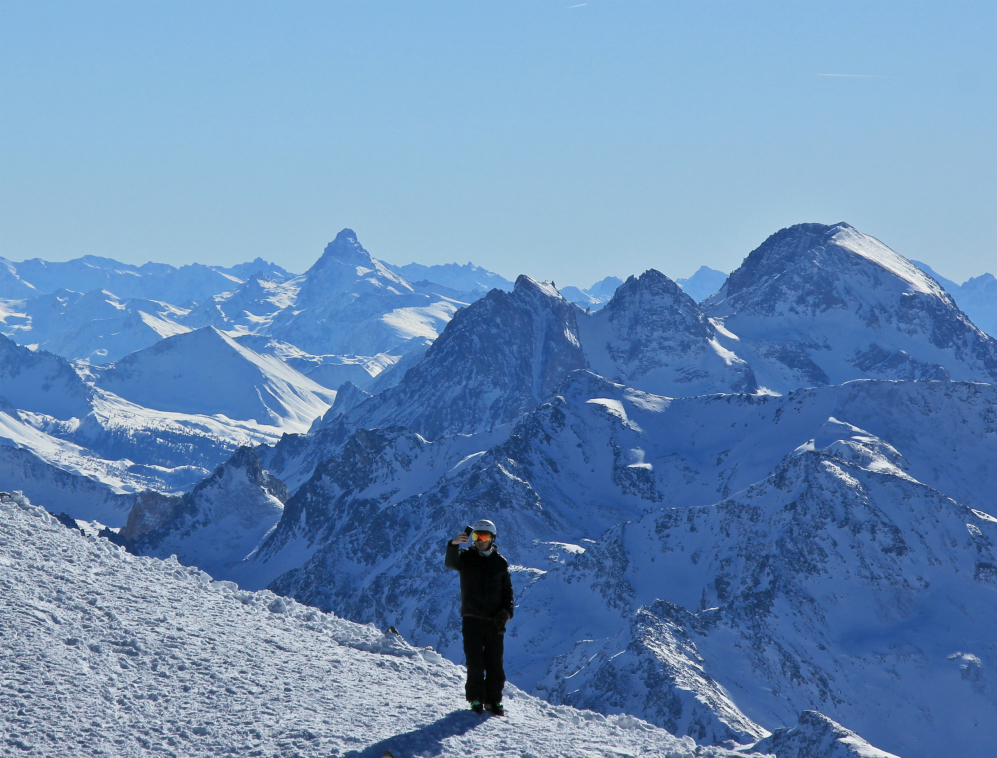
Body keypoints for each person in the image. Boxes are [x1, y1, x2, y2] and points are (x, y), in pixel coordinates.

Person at [445, 519, 514, 716]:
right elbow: (451, 562)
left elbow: (508, 594)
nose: (480, 540)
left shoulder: (500, 564)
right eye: (477, 536)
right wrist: (453, 544)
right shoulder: (466, 559)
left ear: (492, 538)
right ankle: (475, 699)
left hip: (494, 622)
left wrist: (507, 614)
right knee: (475, 662)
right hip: (472, 619)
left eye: (484, 536)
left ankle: (493, 701)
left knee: (495, 664)